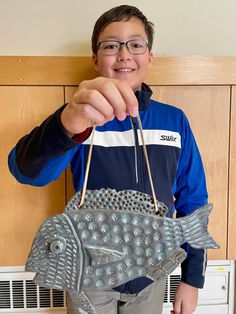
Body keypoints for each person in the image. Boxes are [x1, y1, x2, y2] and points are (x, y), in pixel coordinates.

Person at [8, 5, 208, 314]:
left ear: (149, 56)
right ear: (96, 58)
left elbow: (193, 202)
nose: (125, 54)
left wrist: (192, 278)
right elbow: (26, 171)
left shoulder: (175, 121)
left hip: (151, 278)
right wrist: (65, 125)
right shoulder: (77, 117)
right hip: (88, 276)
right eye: (112, 45)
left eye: (136, 44)